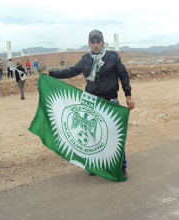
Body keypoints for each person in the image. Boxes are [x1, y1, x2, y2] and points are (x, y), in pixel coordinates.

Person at [48, 29, 135, 177]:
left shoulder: (113, 57)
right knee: (93, 135)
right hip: (91, 102)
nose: (96, 45)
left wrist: (128, 96)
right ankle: (95, 165)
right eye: (93, 42)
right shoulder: (85, 60)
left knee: (114, 134)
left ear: (103, 42)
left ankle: (121, 166)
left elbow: (123, 76)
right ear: (89, 43)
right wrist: (51, 74)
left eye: (98, 41)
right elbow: (70, 72)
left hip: (110, 101)